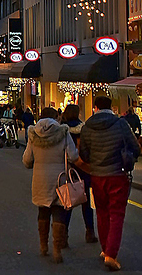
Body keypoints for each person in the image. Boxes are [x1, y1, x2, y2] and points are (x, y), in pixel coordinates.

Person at [79, 96, 140, 271]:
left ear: (96, 108)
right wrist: (131, 158)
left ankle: (105, 248)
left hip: (97, 175)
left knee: (102, 212)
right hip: (117, 174)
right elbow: (134, 146)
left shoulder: (88, 127)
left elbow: (84, 154)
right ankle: (111, 254)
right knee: (117, 214)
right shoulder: (120, 124)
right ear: (111, 107)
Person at [22, 107, 78, 264]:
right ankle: (57, 249)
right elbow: (73, 156)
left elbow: (27, 160)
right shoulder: (64, 133)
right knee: (59, 211)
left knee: (43, 211)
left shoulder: (33, 134)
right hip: (59, 177)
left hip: (40, 179)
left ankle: (43, 246)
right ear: (56, 117)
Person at [61, 104, 98, 245]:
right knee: (86, 201)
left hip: (68, 168)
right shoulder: (83, 129)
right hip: (84, 168)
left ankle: (63, 235)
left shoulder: (62, 129)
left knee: (67, 203)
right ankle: (90, 232)